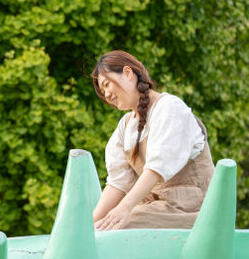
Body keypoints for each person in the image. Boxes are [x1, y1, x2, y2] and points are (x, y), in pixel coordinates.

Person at [90, 50, 214, 230]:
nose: (106, 95)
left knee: (118, 227)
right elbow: (117, 183)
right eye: (102, 91)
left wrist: (124, 208)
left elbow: (157, 168)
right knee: (99, 229)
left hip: (191, 207)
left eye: (107, 84)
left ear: (127, 73)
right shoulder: (125, 127)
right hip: (154, 207)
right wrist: (88, 225)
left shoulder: (169, 108)